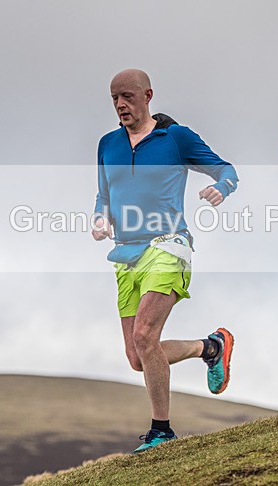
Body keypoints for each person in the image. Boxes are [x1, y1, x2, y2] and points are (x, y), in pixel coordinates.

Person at [92, 69, 239, 452]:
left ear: (147, 95)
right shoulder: (107, 144)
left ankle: (162, 431)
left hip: (168, 245)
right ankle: (210, 348)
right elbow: (103, 194)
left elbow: (225, 169)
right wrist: (100, 217)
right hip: (126, 255)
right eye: (114, 98)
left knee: (145, 335)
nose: (120, 105)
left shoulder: (175, 137)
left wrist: (221, 187)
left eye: (127, 96)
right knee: (137, 357)